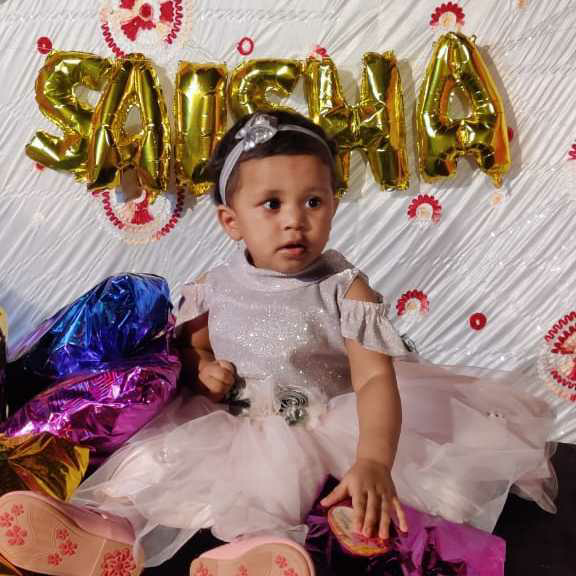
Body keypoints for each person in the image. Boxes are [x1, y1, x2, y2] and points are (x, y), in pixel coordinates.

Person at [0, 111, 555, 576]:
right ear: (231, 220)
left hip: (316, 419)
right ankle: (107, 531)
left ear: (333, 204)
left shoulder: (345, 289)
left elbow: (373, 379)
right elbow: (192, 349)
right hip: (228, 418)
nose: (295, 221)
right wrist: (202, 367)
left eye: (313, 202)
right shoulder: (213, 286)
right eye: (272, 204)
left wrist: (373, 459)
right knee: (152, 463)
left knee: (278, 479)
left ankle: (258, 550)